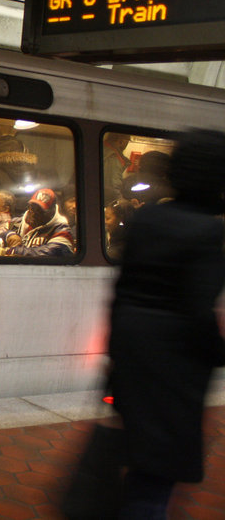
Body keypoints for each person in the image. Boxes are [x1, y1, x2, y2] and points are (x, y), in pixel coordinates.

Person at [105, 129, 225, 518]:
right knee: (155, 484)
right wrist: (218, 352)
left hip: (133, 356)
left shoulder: (150, 217)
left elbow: (122, 292)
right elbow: (197, 310)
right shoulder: (209, 231)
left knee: (142, 466)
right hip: (174, 371)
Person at [0, 188, 74, 257]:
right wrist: (8, 235)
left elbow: (50, 252)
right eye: (32, 207)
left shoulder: (62, 231)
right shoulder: (16, 223)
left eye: (40, 211)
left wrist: (8, 251)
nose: (34, 213)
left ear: (52, 212)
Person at [103, 132, 131, 205]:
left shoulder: (102, 149)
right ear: (121, 141)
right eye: (128, 141)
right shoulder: (113, 157)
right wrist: (122, 202)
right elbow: (113, 186)